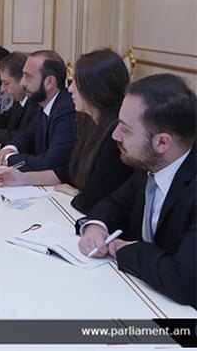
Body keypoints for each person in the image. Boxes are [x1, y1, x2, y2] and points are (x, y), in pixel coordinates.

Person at [77, 74, 195, 307]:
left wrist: (125, 250)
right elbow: (115, 203)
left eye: (126, 129)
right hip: (141, 295)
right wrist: (95, 226)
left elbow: (186, 282)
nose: (115, 135)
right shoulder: (151, 163)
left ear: (162, 142)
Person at [0, 48, 133, 214]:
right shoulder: (89, 123)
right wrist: (22, 178)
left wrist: (77, 194)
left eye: (77, 82)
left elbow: (91, 199)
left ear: (96, 88)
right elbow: (67, 171)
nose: (71, 89)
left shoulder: (114, 136)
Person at [0, 50, 77, 172]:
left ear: (49, 82)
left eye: (28, 76)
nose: (22, 83)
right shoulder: (43, 104)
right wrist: (11, 148)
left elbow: (49, 163)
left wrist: (9, 158)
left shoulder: (67, 110)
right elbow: (28, 135)